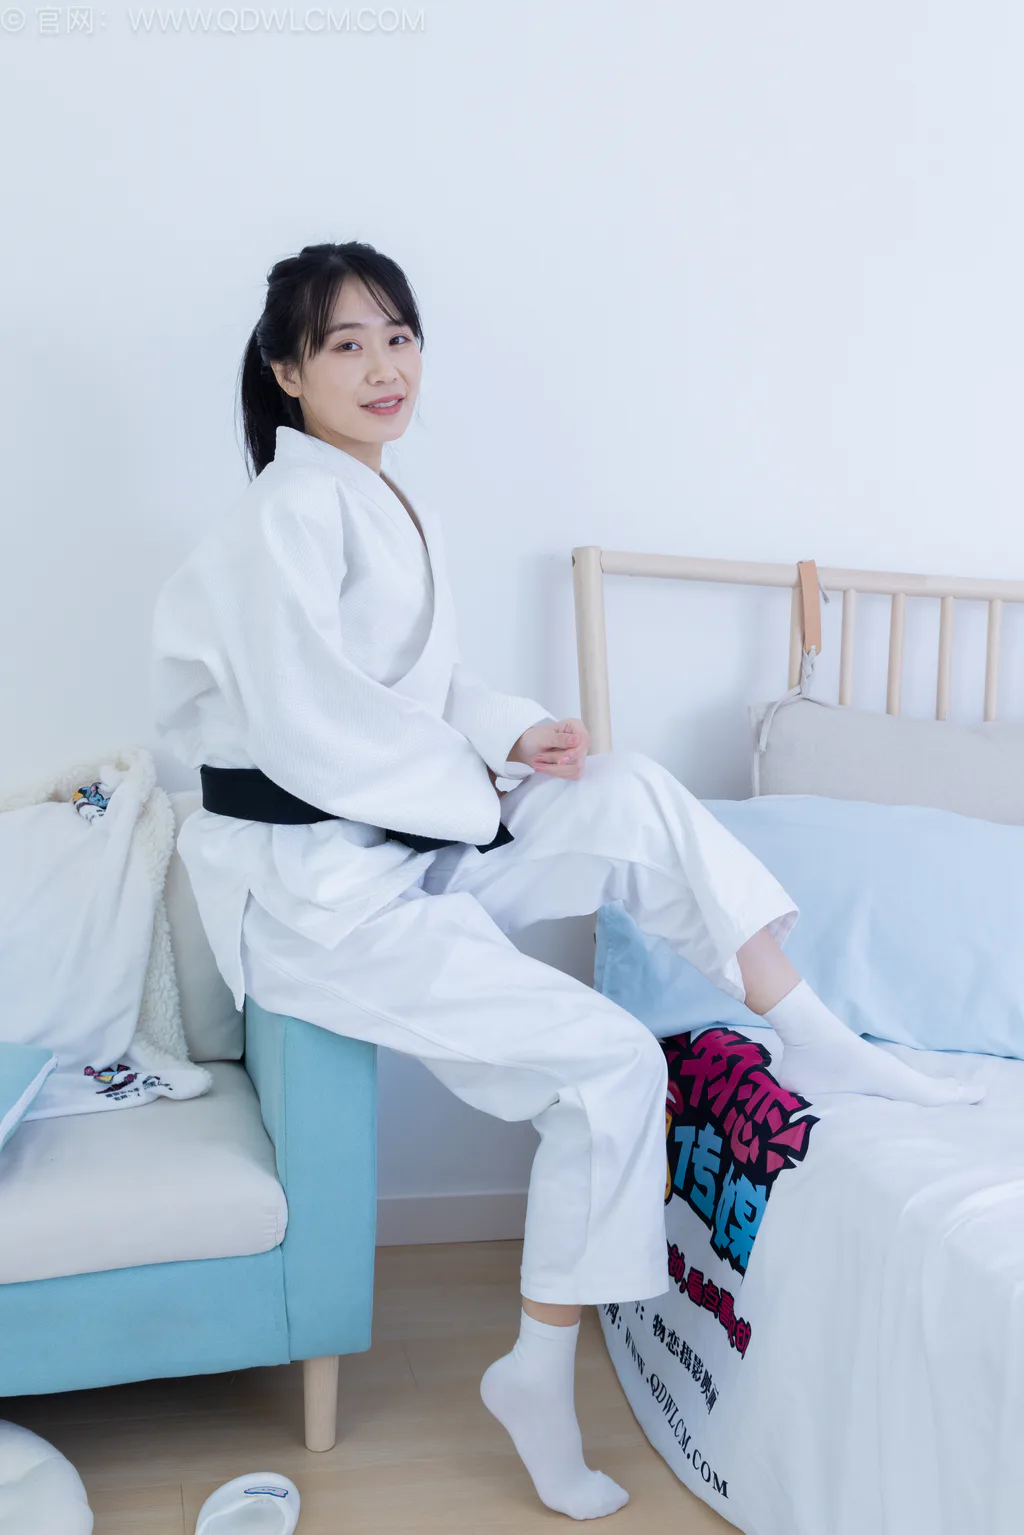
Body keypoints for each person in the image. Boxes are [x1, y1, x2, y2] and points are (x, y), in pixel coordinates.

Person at [151, 241, 982, 1522]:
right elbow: (319, 732)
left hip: (399, 840)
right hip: (320, 901)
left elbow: (419, 688)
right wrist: (478, 791)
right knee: (612, 1064)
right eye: (345, 344)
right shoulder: (285, 517)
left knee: (630, 789)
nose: (383, 366)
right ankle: (535, 1374)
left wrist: (512, 732)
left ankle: (813, 1029)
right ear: (285, 372)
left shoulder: (375, 497)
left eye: (398, 336)